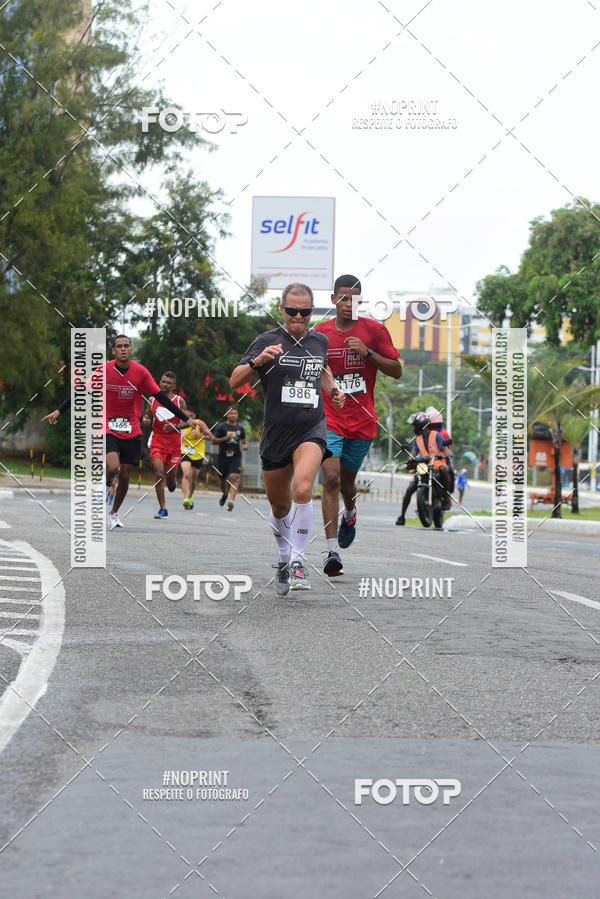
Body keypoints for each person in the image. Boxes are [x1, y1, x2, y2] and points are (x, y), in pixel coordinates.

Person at [229, 282, 345, 594]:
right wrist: (259, 360)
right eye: (292, 311)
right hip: (275, 435)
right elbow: (234, 380)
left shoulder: (319, 341)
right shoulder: (267, 340)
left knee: (304, 488)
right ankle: (283, 557)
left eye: (305, 312)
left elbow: (323, 370)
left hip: (311, 429)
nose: (298, 316)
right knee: (280, 508)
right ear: (282, 309)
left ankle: (297, 561)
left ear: (311, 312)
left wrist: (333, 389)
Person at [42, 335, 202, 529]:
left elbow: (161, 398)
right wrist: (59, 410)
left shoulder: (141, 373)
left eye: (127, 346)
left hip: (132, 430)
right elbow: (82, 391)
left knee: (125, 474)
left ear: (131, 350)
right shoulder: (104, 370)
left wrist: (186, 418)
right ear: (113, 351)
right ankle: (107, 483)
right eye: (119, 346)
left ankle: (114, 514)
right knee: (112, 466)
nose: (123, 349)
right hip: (108, 426)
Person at [314, 274, 402, 575]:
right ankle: (331, 552)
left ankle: (350, 511)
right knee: (330, 478)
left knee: (347, 484)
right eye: (343, 298)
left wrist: (369, 353)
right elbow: (312, 372)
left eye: (354, 298)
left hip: (362, 422)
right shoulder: (320, 333)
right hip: (330, 418)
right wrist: (330, 391)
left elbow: (397, 370)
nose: (348, 304)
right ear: (333, 300)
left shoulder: (375, 331)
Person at [143, 371, 188, 519]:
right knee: (158, 473)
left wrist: (176, 426)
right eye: (163, 381)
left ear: (174, 386)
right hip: (157, 441)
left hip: (174, 446)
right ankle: (162, 508)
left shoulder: (179, 401)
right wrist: (146, 420)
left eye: (169, 383)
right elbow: (147, 415)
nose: (165, 384)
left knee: (169, 481)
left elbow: (187, 422)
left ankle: (172, 481)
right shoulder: (152, 399)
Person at [406, 413, 451, 512]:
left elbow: (445, 449)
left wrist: (447, 453)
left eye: (415, 425)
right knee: (410, 487)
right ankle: (402, 515)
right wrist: (409, 460)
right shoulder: (417, 440)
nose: (414, 428)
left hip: (438, 466)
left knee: (445, 469)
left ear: (420, 426)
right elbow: (413, 454)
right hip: (424, 468)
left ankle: (447, 498)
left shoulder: (436, 435)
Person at [211, 406, 248, 511]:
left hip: (236, 456)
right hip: (223, 457)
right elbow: (213, 441)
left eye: (235, 413)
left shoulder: (240, 429)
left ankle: (231, 501)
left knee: (234, 477)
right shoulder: (221, 427)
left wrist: (245, 445)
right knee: (222, 481)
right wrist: (225, 438)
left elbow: (244, 441)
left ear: (237, 415)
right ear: (227, 415)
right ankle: (224, 494)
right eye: (231, 413)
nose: (233, 415)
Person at [180, 410, 213, 509]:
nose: (190, 415)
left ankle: (190, 497)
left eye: (192, 414)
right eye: (188, 414)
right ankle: (185, 498)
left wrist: (200, 436)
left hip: (198, 454)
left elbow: (211, 436)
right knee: (186, 474)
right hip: (185, 452)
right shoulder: (181, 424)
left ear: (195, 415)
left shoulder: (200, 423)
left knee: (194, 480)